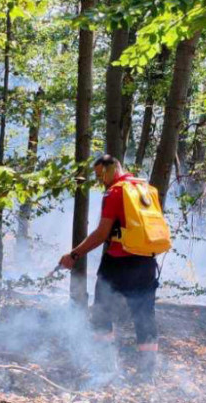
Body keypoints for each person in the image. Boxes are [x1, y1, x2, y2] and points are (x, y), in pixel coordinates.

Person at [59, 154, 161, 377]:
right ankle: (147, 373)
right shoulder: (145, 190)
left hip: (118, 262)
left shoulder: (115, 192)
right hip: (146, 262)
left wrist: (74, 254)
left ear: (113, 168)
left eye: (101, 174)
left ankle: (106, 367)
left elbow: (101, 233)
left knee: (101, 313)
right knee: (144, 316)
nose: (100, 180)